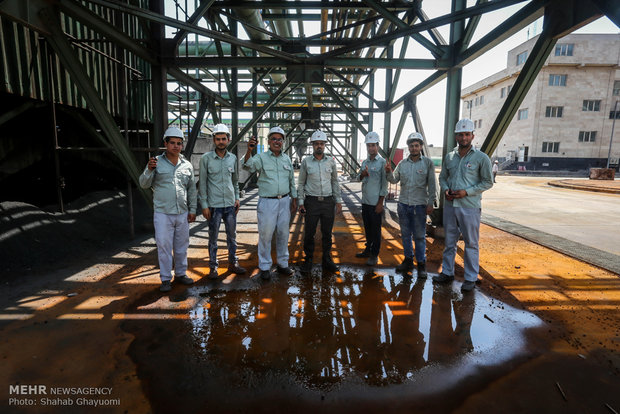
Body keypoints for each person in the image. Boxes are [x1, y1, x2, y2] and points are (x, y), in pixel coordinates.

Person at [433, 119, 493, 292]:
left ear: (472, 136)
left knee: (471, 243)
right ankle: (447, 272)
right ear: (456, 136)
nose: (464, 137)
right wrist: (445, 190)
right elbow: (443, 177)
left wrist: (466, 192)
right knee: (449, 241)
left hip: (469, 206)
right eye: (460, 134)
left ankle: (470, 278)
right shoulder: (450, 157)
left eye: (467, 134)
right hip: (451, 206)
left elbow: (488, 182)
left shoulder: (481, 158)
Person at [139, 126, 197, 292]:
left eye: (179, 143)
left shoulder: (187, 165)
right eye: (172, 143)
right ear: (165, 143)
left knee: (182, 246)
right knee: (164, 246)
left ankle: (180, 274)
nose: (176, 146)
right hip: (163, 213)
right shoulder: (155, 162)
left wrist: (193, 210)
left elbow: (191, 190)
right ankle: (165, 279)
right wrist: (149, 170)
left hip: (182, 212)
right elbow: (143, 184)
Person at [243, 126, 298, 280]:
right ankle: (265, 266)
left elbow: (291, 181)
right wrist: (249, 150)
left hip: (284, 201)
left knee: (283, 233)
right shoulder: (261, 158)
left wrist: (294, 198)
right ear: (268, 141)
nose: (276, 141)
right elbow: (247, 166)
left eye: (279, 139)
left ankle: (282, 264)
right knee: (266, 235)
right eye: (273, 138)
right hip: (268, 202)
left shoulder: (286, 159)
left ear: (283, 142)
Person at [386, 132, 437, 278]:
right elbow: (394, 180)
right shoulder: (403, 164)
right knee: (406, 235)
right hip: (403, 205)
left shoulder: (427, 163)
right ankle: (408, 261)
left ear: (421, 147)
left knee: (420, 236)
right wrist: (389, 171)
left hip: (419, 206)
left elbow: (432, 185)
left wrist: (430, 202)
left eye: (416, 146)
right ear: (408, 147)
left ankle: (422, 265)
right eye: (411, 146)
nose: (414, 148)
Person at [199, 123, 246, 280]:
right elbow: (203, 183)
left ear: (228, 140)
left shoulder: (232, 158)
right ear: (213, 140)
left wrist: (237, 198)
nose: (220, 141)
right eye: (218, 139)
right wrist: (204, 205)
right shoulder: (206, 159)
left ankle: (233, 263)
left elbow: (235, 181)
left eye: (223, 139)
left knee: (232, 237)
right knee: (213, 238)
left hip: (230, 206)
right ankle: (213, 267)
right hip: (214, 206)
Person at [297, 130, 343, 274]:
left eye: (321, 144)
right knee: (309, 232)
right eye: (316, 143)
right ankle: (308, 260)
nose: (319, 146)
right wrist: (300, 201)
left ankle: (327, 260)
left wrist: (338, 200)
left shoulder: (331, 162)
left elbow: (335, 181)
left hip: (328, 202)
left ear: (325, 145)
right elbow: (301, 183)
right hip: (312, 201)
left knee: (327, 233)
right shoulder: (306, 162)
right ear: (312, 145)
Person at [356, 131, 388, 266]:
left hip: (376, 203)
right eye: (369, 146)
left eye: (373, 145)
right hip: (365, 202)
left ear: (378, 146)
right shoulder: (365, 162)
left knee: (376, 230)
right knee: (368, 229)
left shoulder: (382, 163)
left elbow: (384, 185)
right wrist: (362, 174)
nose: (371, 148)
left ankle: (374, 254)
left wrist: (380, 203)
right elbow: (358, 178)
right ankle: (368, 250)